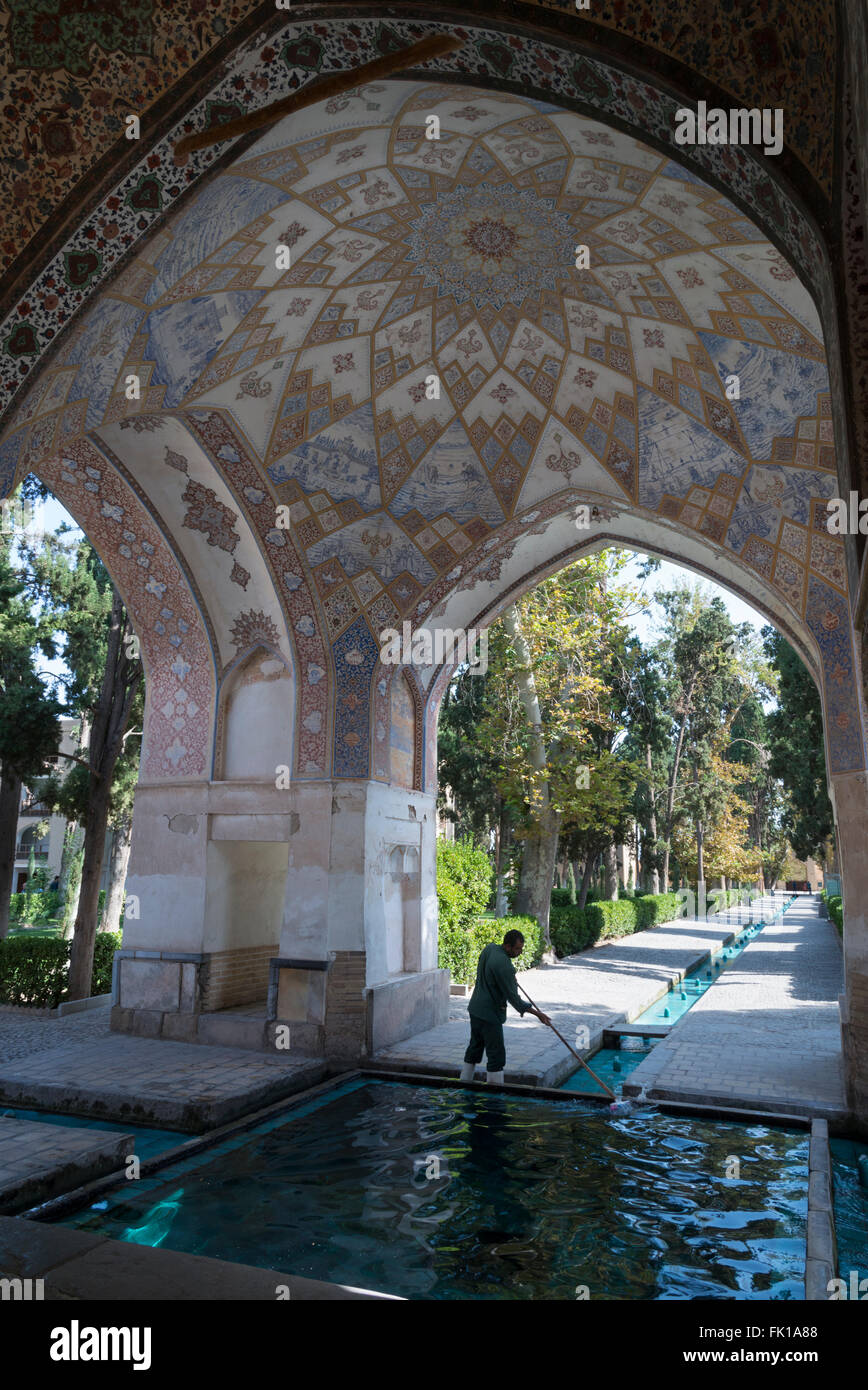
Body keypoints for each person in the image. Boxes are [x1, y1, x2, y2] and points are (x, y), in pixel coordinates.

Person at [459, 929, 551, 1086]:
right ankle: (495, 1098)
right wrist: (538, 1014)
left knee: (475, 1047)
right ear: (507, 946)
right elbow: (515, 1000)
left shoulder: (489, 948)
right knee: (496, 1055)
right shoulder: (505, 966)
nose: (520, 952)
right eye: (517, 949)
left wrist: (507, 979)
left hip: (475, 1009)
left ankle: (463, 1084)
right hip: (490, 1014)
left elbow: (490, 973)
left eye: (521, 949)